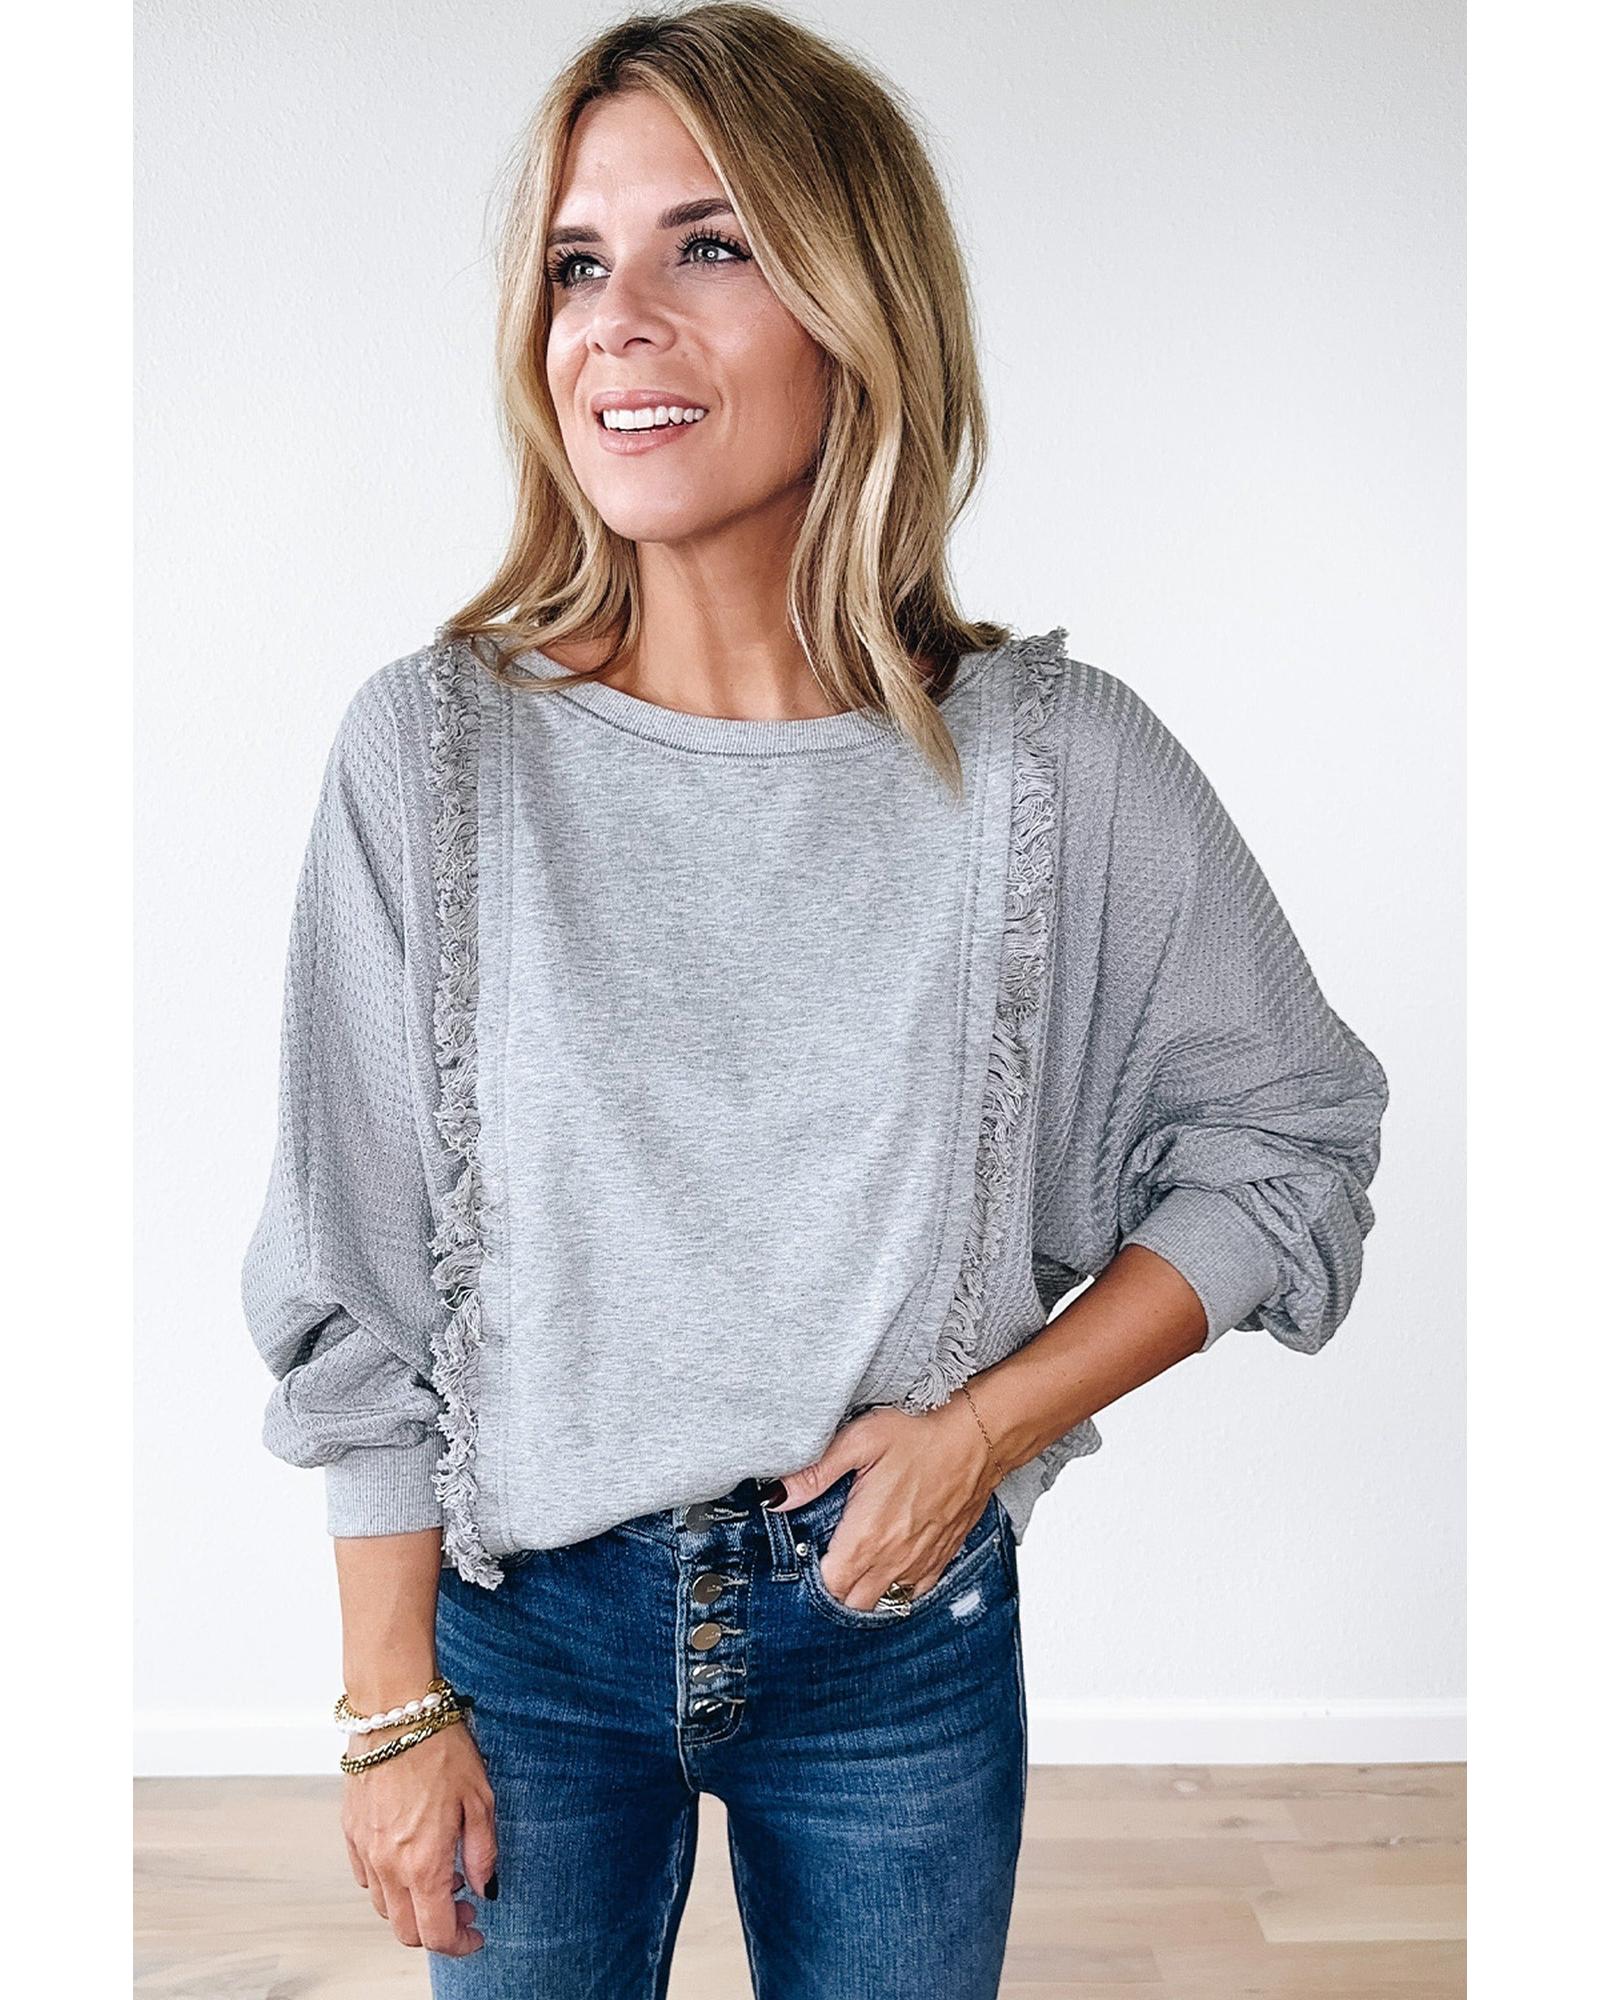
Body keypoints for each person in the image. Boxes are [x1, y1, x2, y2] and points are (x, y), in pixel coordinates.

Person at [239, 6, 1390, 1996]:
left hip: (895, 1638)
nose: (617, 320)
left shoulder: (1052, 766)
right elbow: (357, 1273)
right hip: (523, 1648)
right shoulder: (429, 754)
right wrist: (384, 1707)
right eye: (576, 263)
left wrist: (984, 1429)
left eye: (710, 244)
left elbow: (1288, 1144)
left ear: (860, 308)